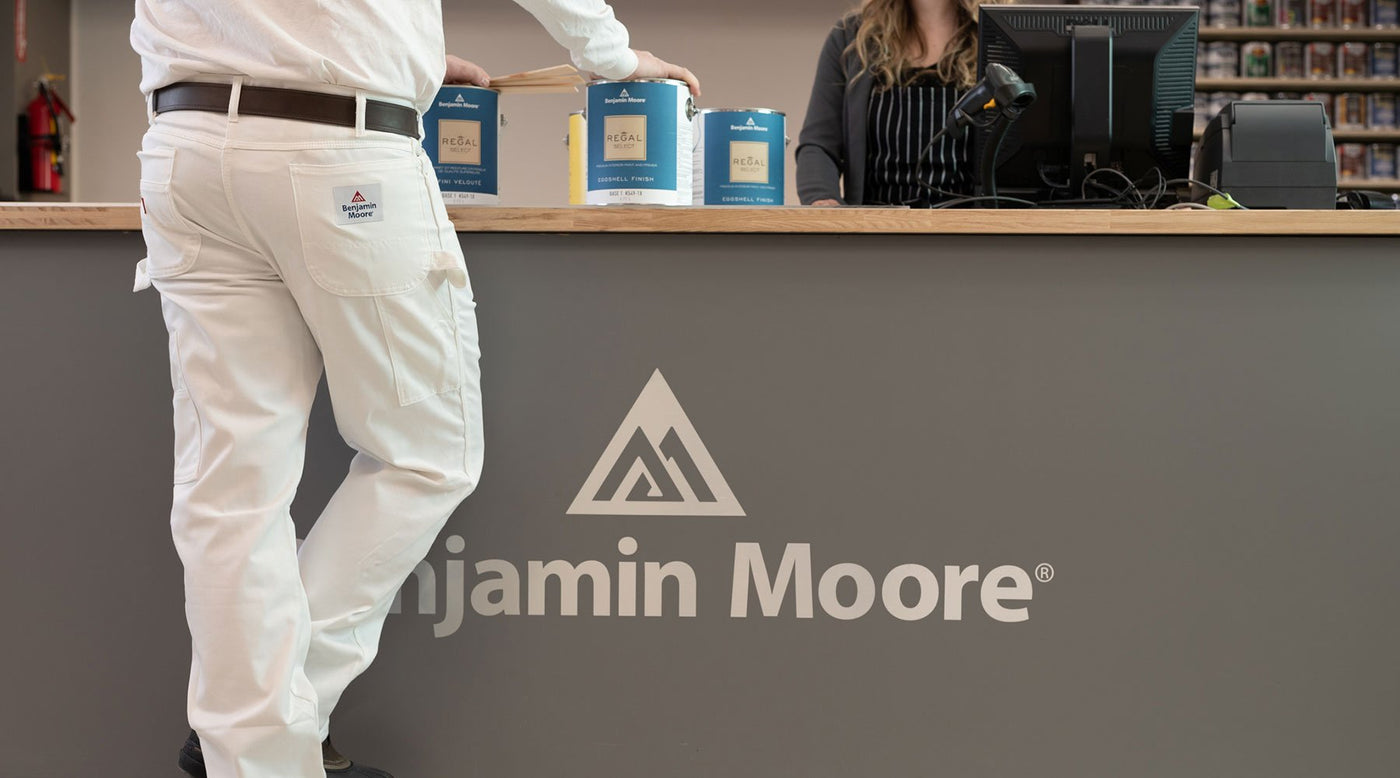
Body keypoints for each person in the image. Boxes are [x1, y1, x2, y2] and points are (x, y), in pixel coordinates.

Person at [129, 3, 698, 777]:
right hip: (340, 153)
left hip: (185, 147)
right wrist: (613, 58)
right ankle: (276, 714)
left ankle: (251, 747)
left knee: (230, 488)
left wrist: (403, 60)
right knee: (429, 452)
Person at [795, 0, 989, 207]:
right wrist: (822, 199)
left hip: (973, 231)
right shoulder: (851, 36)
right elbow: (819, 146)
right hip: (874, 230)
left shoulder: (999, 33)